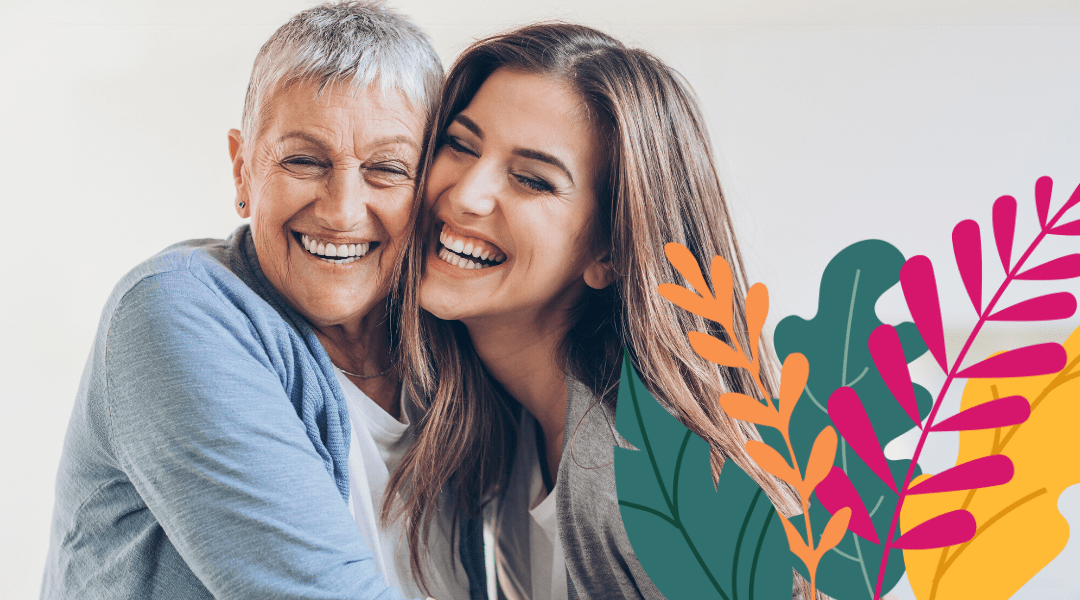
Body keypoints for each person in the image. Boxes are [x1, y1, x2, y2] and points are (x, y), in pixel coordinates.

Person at [40, 3, 482, 599]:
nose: (342, 210)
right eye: (304, 160)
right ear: (243, 169)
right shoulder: (176, 310)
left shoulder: (452, 345)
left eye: (386, 169)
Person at [386, 23, 817, 600]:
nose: (466, 194)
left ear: (608, 252)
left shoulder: (640, 479)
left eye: (533, 180)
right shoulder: (514, 434)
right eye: (461, 144)